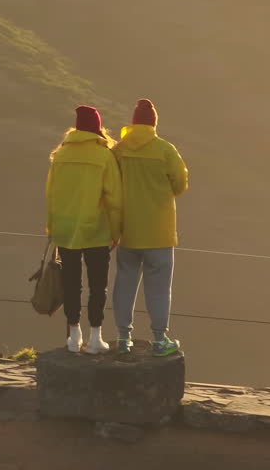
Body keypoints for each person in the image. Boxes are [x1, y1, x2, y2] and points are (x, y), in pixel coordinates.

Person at [111, 99, 188, 357]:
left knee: (124, 283)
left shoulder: (119, 150)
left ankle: (123, 337)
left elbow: (110, 182)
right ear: (154, 123)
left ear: (133, 123)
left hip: (128, 230)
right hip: (159, 231)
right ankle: (159, 339)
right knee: (159, 287)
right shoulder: (165, 150)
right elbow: (180, 183)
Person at [46, 105, 123, 354]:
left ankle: (73, 336)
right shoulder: (104, 156)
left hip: (66, 227)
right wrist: (116, 231)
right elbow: (114, 199)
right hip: (96, 228)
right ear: (97, 128)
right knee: (97, 285)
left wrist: (52, 226)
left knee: (71, 283)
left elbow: (51, 194)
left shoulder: (61, 155)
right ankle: (95, 338)